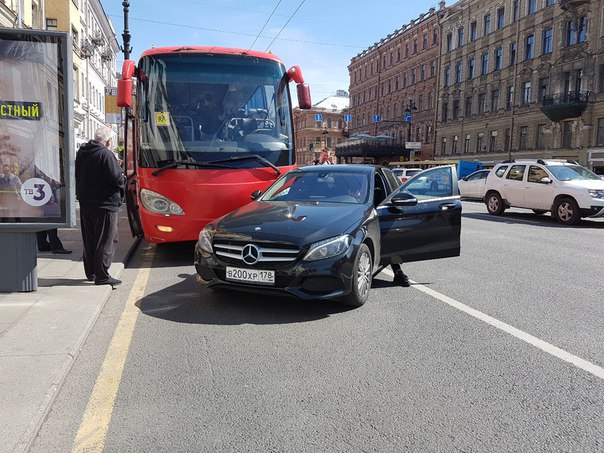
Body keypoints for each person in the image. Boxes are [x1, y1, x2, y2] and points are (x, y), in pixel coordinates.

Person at [75, 126, 126, 288]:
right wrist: (119, 169)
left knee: (90, 239)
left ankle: (91, 272)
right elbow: (117, 180)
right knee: (106, 239)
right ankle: (102, 276)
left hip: (86, 203)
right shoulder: (106, 154)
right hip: (105, 204)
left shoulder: (82, 152)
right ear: (109, 141)